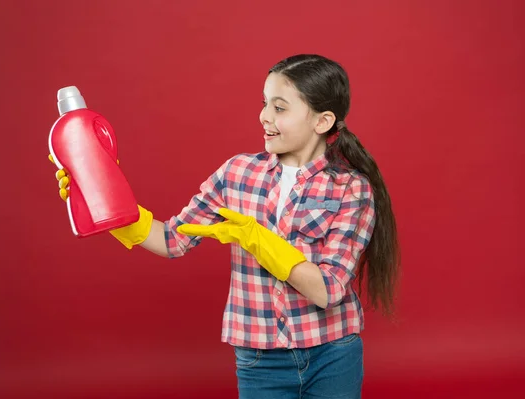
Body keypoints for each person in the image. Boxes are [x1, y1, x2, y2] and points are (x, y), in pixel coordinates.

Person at [50, 54, 400, 399]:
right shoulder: (237, 174)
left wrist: (256, 238)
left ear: (322, 121)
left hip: (332, 354)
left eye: (280, 108)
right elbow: (172, 240)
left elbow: (328, 290)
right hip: (259, 360)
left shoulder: (350, 189)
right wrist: (103, 196)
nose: (264, 117)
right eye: (264, 104)